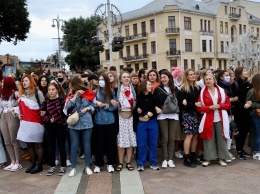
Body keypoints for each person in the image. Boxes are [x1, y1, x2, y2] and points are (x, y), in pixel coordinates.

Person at [197, 73, 231, 167]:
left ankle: (222, 158)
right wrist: (210, 107)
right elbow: (199, 108)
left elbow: (228, 104)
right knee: (208, 138)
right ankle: (208, 158)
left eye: (209, 79)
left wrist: (220, 105)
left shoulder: (221, 91)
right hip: (208, 118)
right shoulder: (202, 92)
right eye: (206, 79)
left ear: (214, 80)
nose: (208, 81)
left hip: (220, 118)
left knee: (221, 138)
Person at [64, 76, 96, 177]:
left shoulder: (89, 92)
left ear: (75, 84)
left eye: (71, 85)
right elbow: (68, 106)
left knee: (87, 145)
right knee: (74, 145)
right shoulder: (71, 94)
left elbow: (94, 105)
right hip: (74, 123)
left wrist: (88, 108)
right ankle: (73, 168)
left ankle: (87, 166)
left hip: (87, 122)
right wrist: (76, 95)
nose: (70, 87)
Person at [16, 75, 45, 174]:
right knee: (29, 144)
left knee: (38, 144)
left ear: (31, 82)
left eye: (26, 80)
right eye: (22, 81)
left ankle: (39, 165)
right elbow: (18, 108)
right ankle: (33, 164)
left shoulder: (38, 93)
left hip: (37, 122)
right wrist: (18, 114)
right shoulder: (21, 95)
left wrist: (43, 112)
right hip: (26, 123)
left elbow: (44, 106)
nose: (24, 83)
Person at [153, 70, 183, 168]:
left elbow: (180, 101)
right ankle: (165, 159)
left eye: (165, 77)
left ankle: (170, 159)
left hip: (174, 115)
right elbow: (155, 102)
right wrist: (156, 107)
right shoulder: (158, 89)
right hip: (162, 115)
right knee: (164, 138)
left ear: (170, 78)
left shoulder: (175, 89)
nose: (163, 79)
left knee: (172, 138)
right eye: (161, 77)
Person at [40, 83, 67, 176]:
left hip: (60, 126)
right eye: (49, 90)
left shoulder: (61, 101)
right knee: (51, 146)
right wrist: (48, 118)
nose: (51, 91)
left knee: (61, 146)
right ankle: (52, 166)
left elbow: (64, 114)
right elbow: (42, 114)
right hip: (49, 127)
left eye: (53, 89)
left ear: (57, 90)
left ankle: (63, 165)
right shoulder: (45, 102)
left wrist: (55, 118)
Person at [93, 73, 117, 173]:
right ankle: (98, 164)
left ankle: (110, 163)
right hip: (98, 120)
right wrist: (96, 103)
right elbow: (91, 103)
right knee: (99, 143)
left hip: (110, 120)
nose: (101, 81)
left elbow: (115, 106)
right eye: (100, 79)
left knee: (110, 142)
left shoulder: (111, 92)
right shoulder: (94, 92)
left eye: (103, 79)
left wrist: (105, 105)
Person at [179, 69, 201, 168]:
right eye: (190, 74)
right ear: (186, 76)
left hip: (196, 113)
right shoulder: (183, 88)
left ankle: (193, 155)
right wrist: (194, 104)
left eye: (194, 74)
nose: (193, 76)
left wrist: (192, 104)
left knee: (196, 135)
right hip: (187, 114)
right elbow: (182, 104)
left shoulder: (197, 87)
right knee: (189, 135)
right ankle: (186, 157)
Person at [136, 80, 160, 171]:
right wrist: (145, 112)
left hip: (152, 122)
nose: (151, 86)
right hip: (142, 123)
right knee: (142, 144)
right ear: (144, 86)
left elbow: (158, 109)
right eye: (149, 85)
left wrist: (151, 113)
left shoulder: (153, 97)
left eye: (151, 85)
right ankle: (141, 163)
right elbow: (137, 110)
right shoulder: (139, 97)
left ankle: (153, 162)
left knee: (153, 143)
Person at [116, 71, 137, 172]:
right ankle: (120, 162)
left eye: (128, 77)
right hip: (120, 116)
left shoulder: (133, 90)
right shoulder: (117, 90)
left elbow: (136, 102)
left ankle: (128, 162)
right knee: (121, 140)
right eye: (124, 77)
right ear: (120, 79)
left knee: (130, 140)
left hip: (131, 116)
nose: (126, 79)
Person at [0, 77, 21, 171]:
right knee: (7, 141)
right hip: (2, 116)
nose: (2, 83)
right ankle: (12, 161)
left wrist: (13, 110)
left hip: (12, 115)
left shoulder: (15, 93)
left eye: (3, 82)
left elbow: (20, 105)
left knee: (14, 140)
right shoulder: (1, 94)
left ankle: (18, 162)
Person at [234, 67, 252, 159]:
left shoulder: (247, 83)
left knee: (245, 131)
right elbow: (234, 99)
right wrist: (243, 105)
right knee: (240, 131)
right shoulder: (236, 84)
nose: (246, 72)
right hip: (239, 112)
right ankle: (239, 150)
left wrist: (249, 102)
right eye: (244, 71)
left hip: (247, 111)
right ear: (239, 73)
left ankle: (241, 149)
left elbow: (250, 95)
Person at [244, 74, 260, 160]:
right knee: (257, 133)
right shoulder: (252, 91)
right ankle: (256, 151)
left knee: (256, 133)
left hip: (256, 114)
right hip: (255, 114)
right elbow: (248, 103)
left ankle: (255, 149)